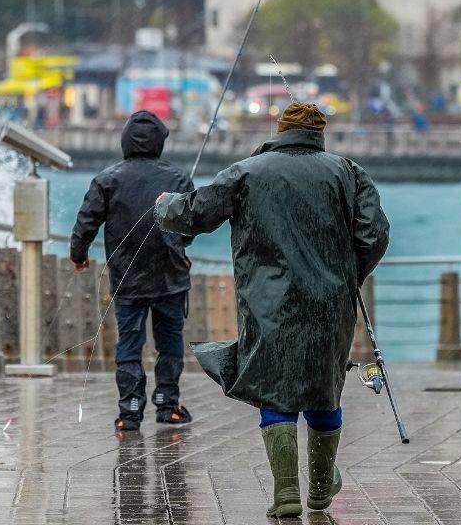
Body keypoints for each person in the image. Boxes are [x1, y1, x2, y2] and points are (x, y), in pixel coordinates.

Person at [153, 101, 390, 518]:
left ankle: (286, 493)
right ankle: (319, 487)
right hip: (330, 302)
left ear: (281, 129)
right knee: (324, 385)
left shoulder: (249, 170)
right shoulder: (349, 172)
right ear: (319, 132)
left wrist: (163, 205)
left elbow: (196, 212)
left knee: (275, 384)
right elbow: (375, 234)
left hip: (267, 302)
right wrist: (349, 275)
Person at [70, 110, 196, 432]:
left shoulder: (107, 179)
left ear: (125, 140)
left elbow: (87, 221)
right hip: (171, 276)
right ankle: (168, 405)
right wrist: (180, 243)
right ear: (159, 143)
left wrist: (78, 254)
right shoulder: (179, 179)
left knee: (130, 344)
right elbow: (191, 226)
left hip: (126, 277)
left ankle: (130, 410)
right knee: (169, 342)